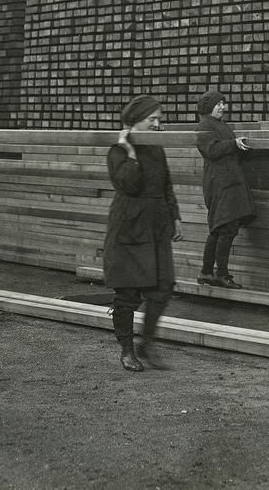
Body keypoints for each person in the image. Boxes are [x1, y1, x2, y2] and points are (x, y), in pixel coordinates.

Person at [103, 95, 184, 372]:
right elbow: (130, 184)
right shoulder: (118, 151)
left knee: (163, 287)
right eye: (152, 120)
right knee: (127, 292)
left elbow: (166, 186)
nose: (157, 124)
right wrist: (131, 152)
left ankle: (146, 344)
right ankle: (127, 349)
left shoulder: (157, 149)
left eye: (158, 119)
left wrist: (175, 216)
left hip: (157, 226)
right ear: (135, 122)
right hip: (130, 226)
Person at [195, 89, 256, 290]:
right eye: (218, 103)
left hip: (227, 182)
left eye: (223, 103)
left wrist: (238, 146)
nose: (223, 107)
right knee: (225, 228)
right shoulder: (205, 125)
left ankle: (206, 272)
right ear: (208, 106)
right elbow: (211, 150)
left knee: (219, 228)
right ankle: (221, 274)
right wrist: (234, 144)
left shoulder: (218, 124)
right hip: (220, 183)